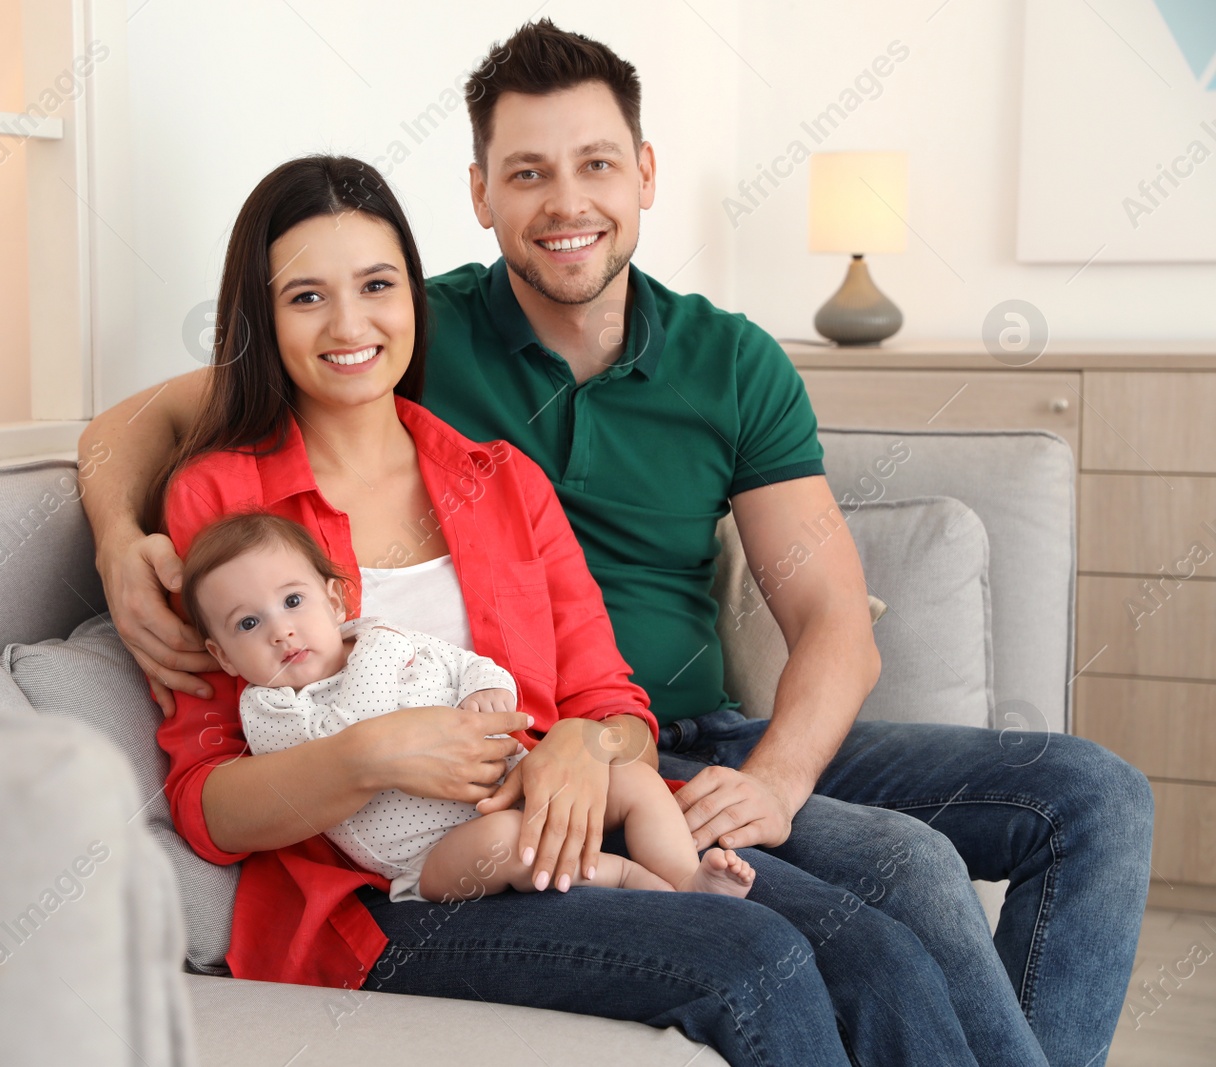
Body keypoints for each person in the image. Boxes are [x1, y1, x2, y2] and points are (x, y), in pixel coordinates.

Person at [83, 21, 1153, 1066]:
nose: (565, 202)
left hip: (613, 761)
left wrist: (744, 775)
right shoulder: (318, 424)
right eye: (528, 171)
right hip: (421, 867)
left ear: (643, 172)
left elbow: (802, 629)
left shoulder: (536, 451)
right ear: (479, 195)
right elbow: (158, 422)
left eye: (594, 163)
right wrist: (115, 532)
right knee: (863, 895)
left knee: (1035, 828)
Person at [177, 510, 758, 904]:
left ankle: (688, 877)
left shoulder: (385, 639)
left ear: (334, 600)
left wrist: (486, 692)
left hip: (515, 779)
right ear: (222, 656)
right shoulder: (275, 711)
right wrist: (371, 752)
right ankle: (635, 882)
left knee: (630, 776)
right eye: (248, 624)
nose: (281, 631)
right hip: (432, 856)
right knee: (508, 845)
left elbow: (463, 665)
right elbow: (295, 784)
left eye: (293, 601)